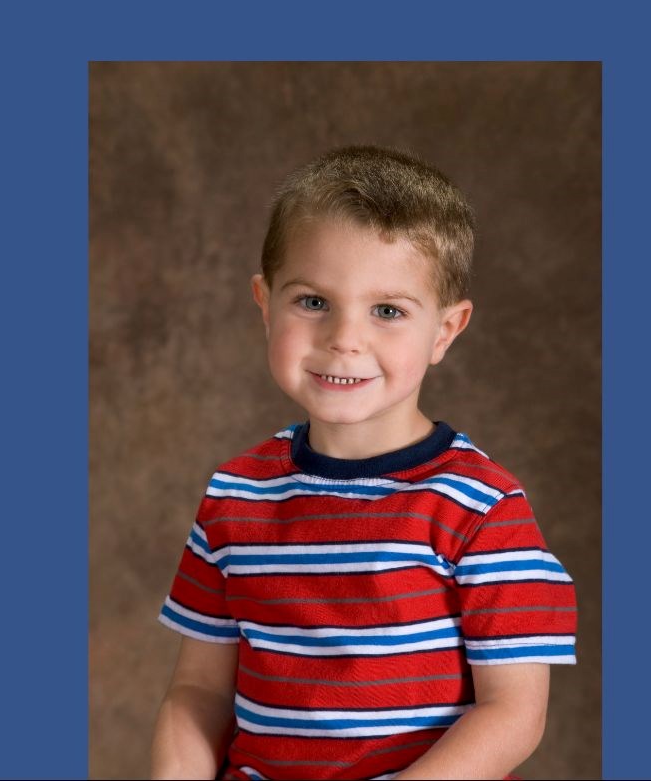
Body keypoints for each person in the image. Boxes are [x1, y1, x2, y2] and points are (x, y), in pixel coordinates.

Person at [152, 146, 575, 780]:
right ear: (264, 303)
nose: (344, 338)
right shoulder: (234, 494)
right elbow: (200, 694)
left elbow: (514, 713)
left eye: (388, 311)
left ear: (445, 330)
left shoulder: (482, 507)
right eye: (313, 302)